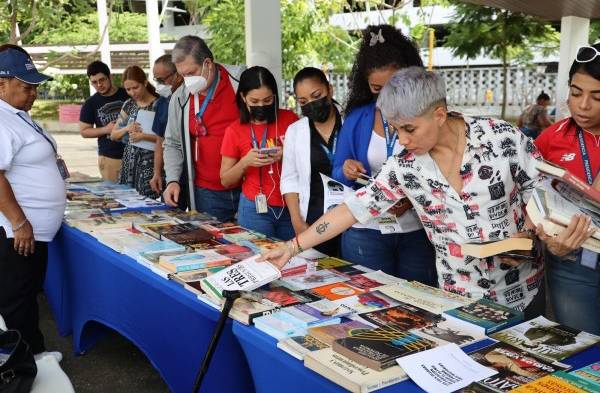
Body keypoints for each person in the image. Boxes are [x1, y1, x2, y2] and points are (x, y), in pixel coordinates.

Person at [261, 67, 594, 318]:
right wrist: (291, 248)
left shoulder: (500, 138)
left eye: (409, 129)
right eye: (395, 130)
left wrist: (539, 232)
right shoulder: (405, 165)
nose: (402, 140)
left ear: (438, 114)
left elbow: (541, 191)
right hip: (458, 298)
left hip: (522, 289)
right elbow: (351, 210)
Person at [332, 25, 436, 284]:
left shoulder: (429, 119)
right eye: (377, 88)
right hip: (367, 230)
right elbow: (336, 173)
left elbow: (443, 172)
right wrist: (346, 169)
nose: (387, 95)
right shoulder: (358, 118)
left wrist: (411, 200)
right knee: (370, 304)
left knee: (418, 306)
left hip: (417, 231)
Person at [0, 46, 66, 361]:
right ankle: (20, 367)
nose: (34, 93)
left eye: (35, 87)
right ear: (1, 84)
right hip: (18, 232)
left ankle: (34, 354)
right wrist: (19, 222)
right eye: (26, 87)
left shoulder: (17, 115)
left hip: (32, 231)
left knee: (27, 297)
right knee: (16, 300)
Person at [535, 43, 600, 335]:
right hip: (572, 261)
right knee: (579, 349)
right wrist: (547, 236)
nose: (582, 105)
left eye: (597, 97)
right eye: (575, 93)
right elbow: (531, 198)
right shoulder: (551, 138)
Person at [162, 36, 241, 221]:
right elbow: (172, 143)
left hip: (247, 189)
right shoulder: (180, 98)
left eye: (191, 73)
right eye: (183, 76)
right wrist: (172, 180)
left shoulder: (238, 84)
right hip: (206, 192)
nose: (187, 80)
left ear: (207, 63)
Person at [220, 66, 298, 239]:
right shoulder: (234, 130)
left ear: (275, 97)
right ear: (243, 98)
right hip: (254, 208)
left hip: (292, 206)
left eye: (267, 100)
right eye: (254, 102)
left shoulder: (290, 120)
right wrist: (245, 162)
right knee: (259, 261)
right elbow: (225, 180)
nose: (261, 106)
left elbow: (310, 160)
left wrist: (287, 154)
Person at [281, 67, 342, 256]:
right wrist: (297, 221)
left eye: (317, 95)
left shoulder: (350, 122)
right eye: (303, 101)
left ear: (329, 90)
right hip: (313, 221)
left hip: (353, 218)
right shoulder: (295, 131)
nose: (312, 104)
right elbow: (289, 178)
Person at [110, 65, 168, 198]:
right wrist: (126, 128)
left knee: (150, 204)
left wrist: (144, 136)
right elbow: (113, 134)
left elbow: (167, 139)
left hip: (152, 164)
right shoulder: (128, 104)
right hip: (129, 162)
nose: (132, 92)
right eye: (128, 89)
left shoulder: (159, 104)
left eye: (135, 87)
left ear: (145, 83)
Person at [79, 60, 129, 182]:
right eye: (94, 82)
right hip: (110, 158)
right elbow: (84, 131)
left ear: (110, 77)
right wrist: (106, 129)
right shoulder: (90, 103)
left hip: (135, 155)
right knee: (115, 198)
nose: (99, 85)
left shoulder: (127, 94)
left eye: (102, 80)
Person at [149, 54, 184, 198]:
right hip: (170, 175)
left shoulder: (192, 99)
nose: (159, 85)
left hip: (196, 176)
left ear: (178, 75)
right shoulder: (162, 103)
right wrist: (157, 173)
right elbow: (160, 140)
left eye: (162, 79)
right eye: (156, 80)